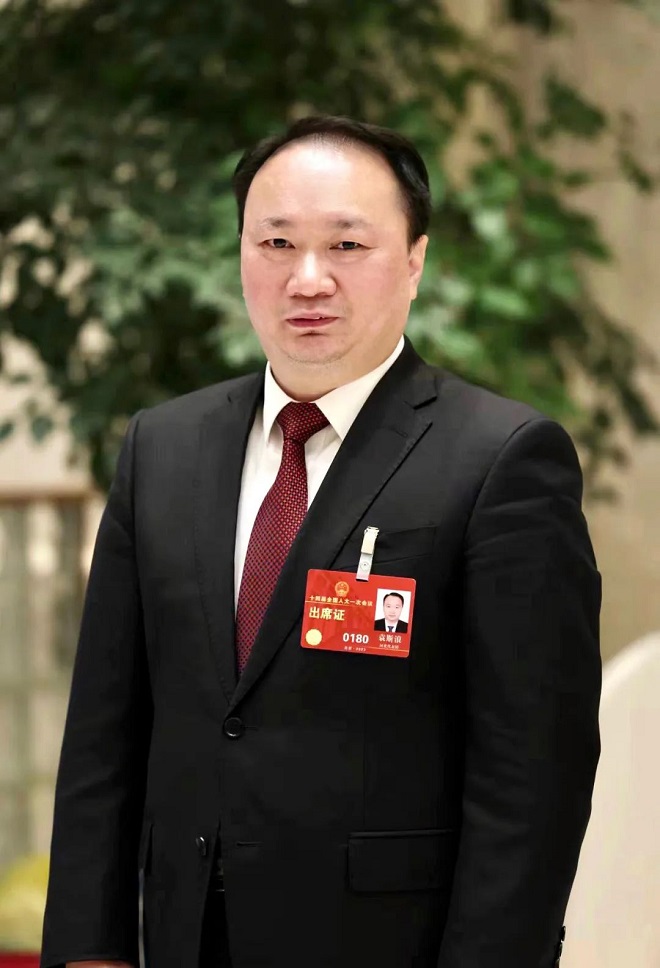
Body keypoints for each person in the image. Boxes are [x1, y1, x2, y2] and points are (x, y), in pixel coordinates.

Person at [41, 115, 601, 968]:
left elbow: (534, 775)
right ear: (240, 253)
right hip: (187, 935)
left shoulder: (501, 459)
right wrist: (91, 948)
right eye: (276, 243)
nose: (308, 279)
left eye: (347, 245)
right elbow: (104, 732)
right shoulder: (163, 446)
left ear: (414, 261)